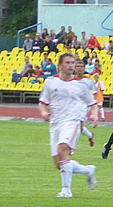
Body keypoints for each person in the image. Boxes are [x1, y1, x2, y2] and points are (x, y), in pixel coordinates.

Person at [38, 53, 98, 198]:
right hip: (56, 123)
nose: (71, 65)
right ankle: (87, 170)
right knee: (59, 163)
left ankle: (66, 190)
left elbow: (92, 103)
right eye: (68, 63)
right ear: (60, 65)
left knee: (62, 148)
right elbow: (42, 102)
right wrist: (44, 112)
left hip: (72, 122)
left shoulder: (80, 85)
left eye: (73, 63)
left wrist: (94, 114)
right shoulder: (50, 82)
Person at [75, 61, 97, 147]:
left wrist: (93, 107)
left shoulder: (88, 81)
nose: (79, 68)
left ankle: (72, 148)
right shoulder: (71, 79)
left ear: (84, 69)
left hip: (83, 105)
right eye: (78, 66)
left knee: (77, 126)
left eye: (81, 66)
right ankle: (90, 135)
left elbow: (94, 93)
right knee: (77, 127)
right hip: (72, 105)